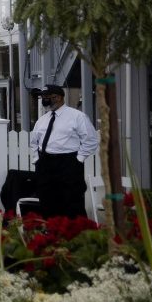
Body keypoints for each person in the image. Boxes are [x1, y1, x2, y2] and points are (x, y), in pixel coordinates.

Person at [32, 83, 98, 219]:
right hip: (45, 163)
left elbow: (90, 140)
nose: (43, 99)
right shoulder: (43, 120)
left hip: (68, 163)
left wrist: (78, 160)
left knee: (71, 201)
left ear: (57, 97)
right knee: (46, 200)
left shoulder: (77, 116)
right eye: (42, 97)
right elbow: (34, 142)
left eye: (46, 96)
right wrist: (37, 159)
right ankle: (50, 232)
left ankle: (75, 234)